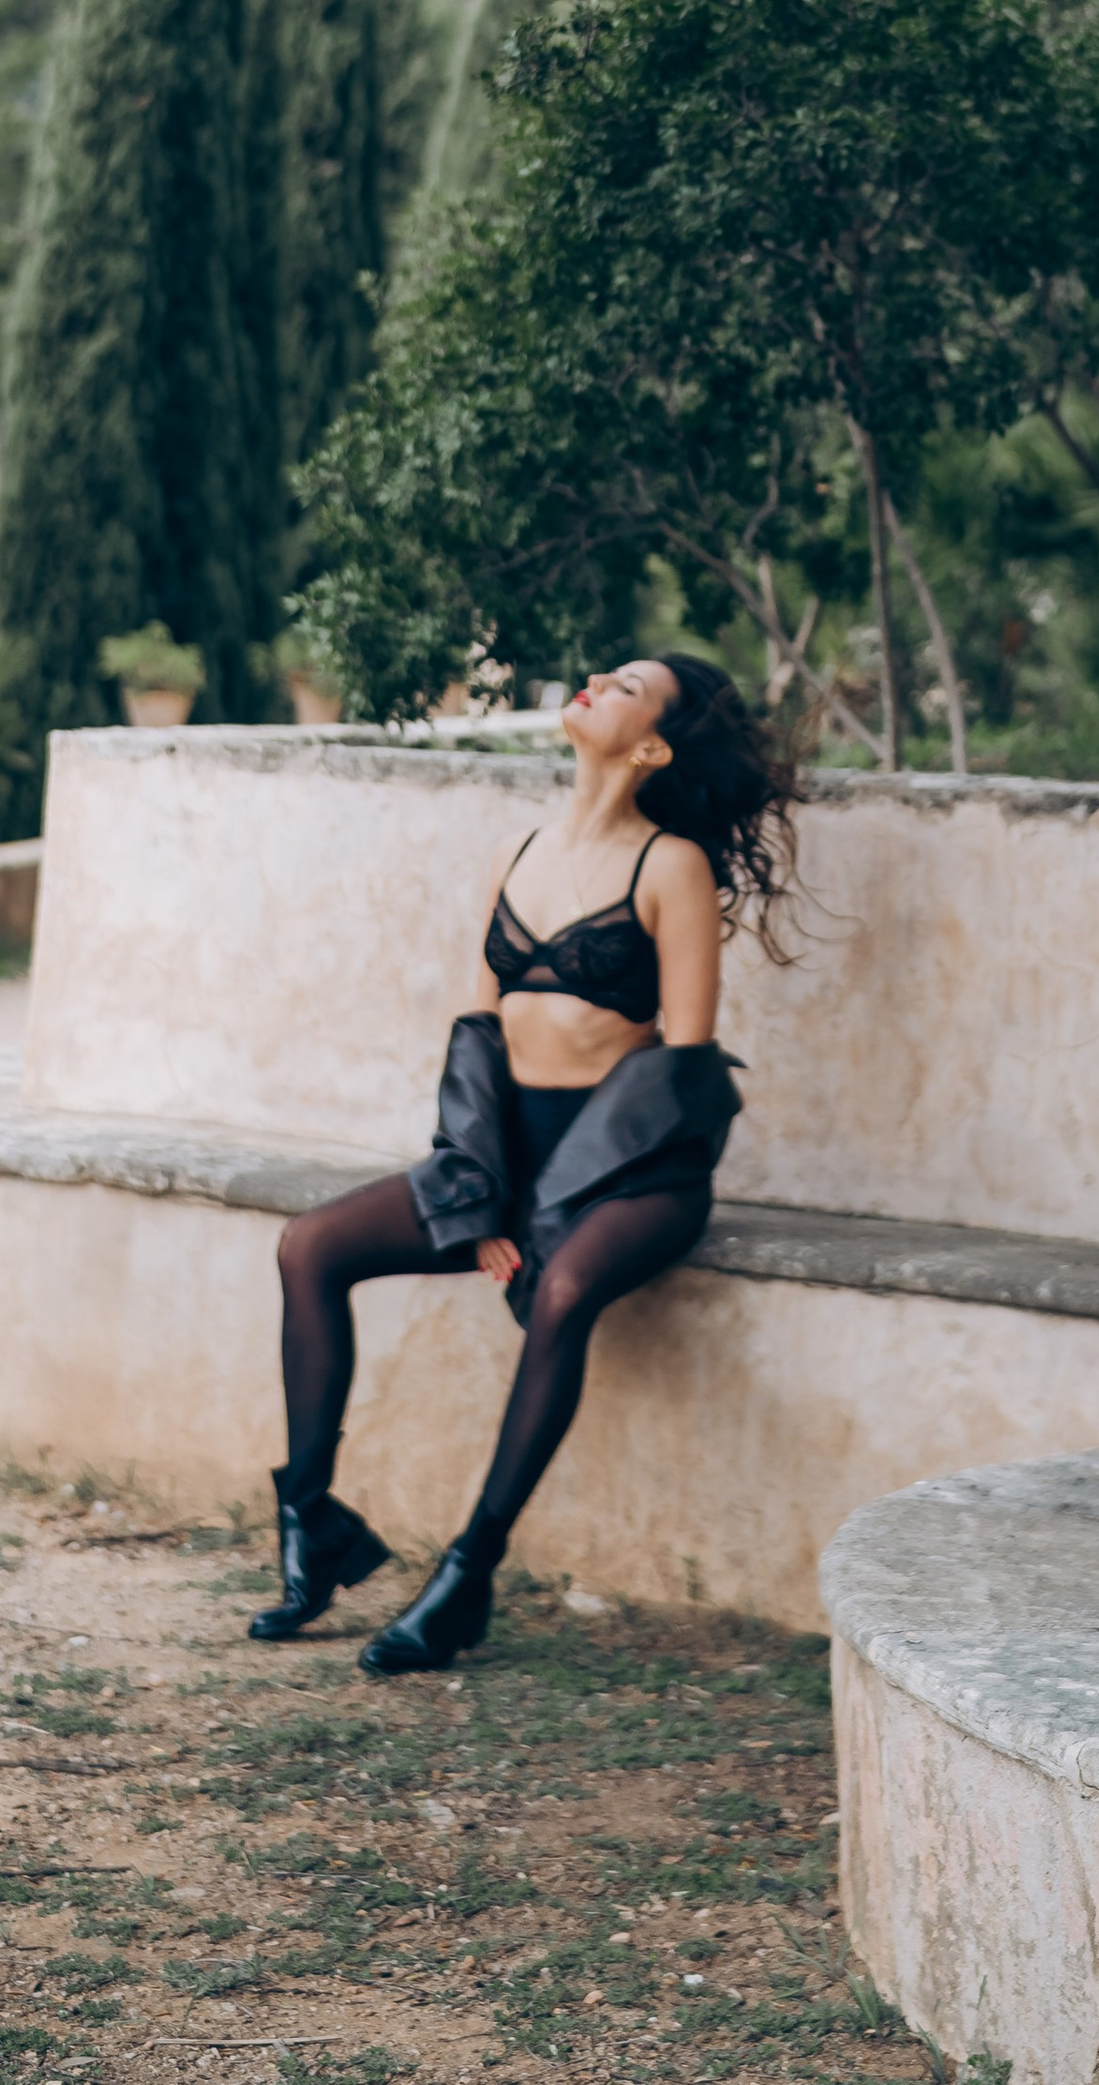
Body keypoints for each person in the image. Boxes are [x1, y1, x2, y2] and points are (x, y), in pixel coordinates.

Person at [247, 651, 795, 1670]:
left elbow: (680, 1069)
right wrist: (476, 1202)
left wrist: (543, 1222)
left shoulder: (670, 864)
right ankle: (312, 1522)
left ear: (651, 746)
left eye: (625, 686)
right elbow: (476, 1034)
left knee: (562, 1290)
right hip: (516, 1157)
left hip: (634, 1169)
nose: (596, 681)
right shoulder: (522, 849)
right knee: (309, 1245)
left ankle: (468, 1575)